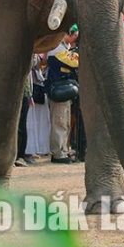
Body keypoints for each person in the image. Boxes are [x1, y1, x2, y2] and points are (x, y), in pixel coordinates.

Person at [47, 27, 79, 164]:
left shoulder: (64, 48)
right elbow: (75, 62)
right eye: (74, 37)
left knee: (65, 122)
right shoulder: (56, 49)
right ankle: (58, 153)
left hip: (65, 90)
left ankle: (64, 150)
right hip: (59, 89)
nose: (75, 40)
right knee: (59, 121)